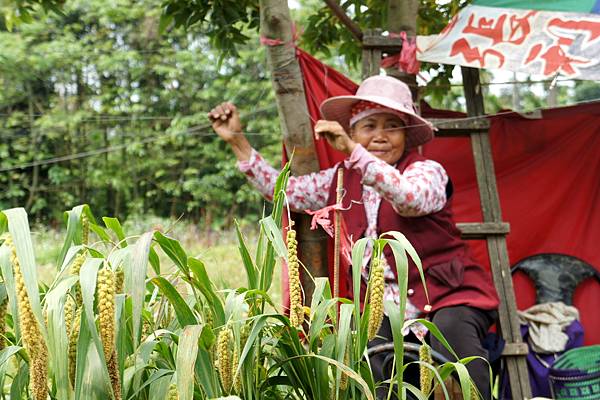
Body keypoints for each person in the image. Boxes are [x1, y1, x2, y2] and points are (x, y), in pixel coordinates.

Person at [209, 75, 499, 399]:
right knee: (372, 357)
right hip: (385, 306)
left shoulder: (426, 170)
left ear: (406, 134)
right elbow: (285, 191)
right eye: (369, 126)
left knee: (455, 343)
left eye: (392, 126)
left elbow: (410, 198)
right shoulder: (341, 178)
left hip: (449, 295)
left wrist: (353, 151)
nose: (380, 136)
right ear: (353, 132)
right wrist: (238, 143)